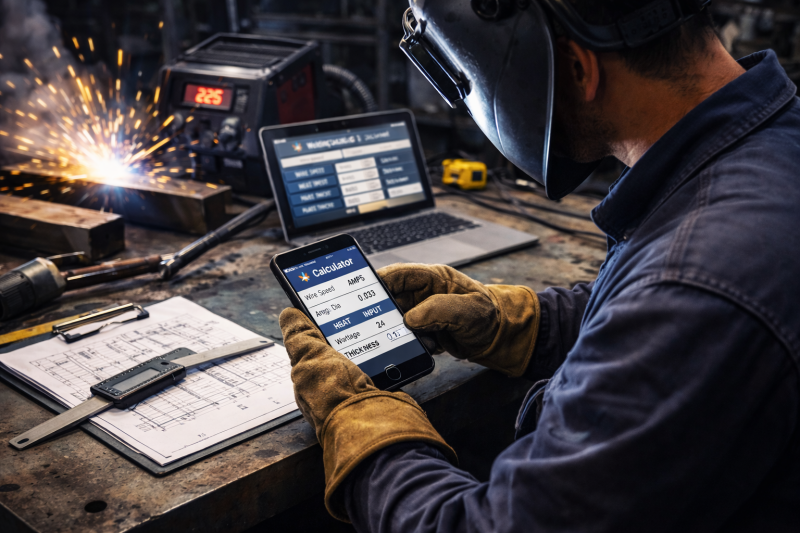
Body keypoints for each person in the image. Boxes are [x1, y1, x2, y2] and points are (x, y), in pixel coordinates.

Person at [278, 0, 800, 530]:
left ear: (577, 68)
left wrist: (357, 418)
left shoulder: (697, 282)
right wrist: (521, 324)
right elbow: (657, 314)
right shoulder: (769, 143)